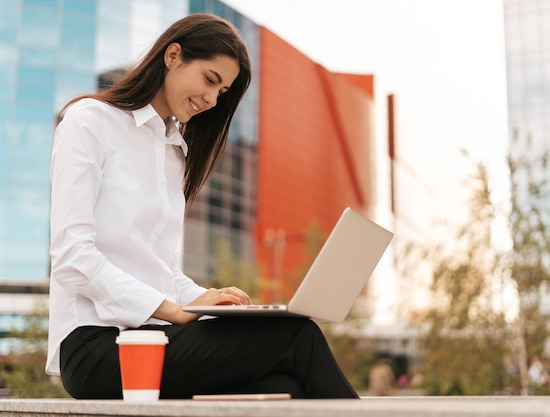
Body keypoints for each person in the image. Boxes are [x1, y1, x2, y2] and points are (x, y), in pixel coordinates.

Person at [46, 13, 358, 400]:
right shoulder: (89, 121)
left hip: (154, 337)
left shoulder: (174, 151)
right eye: (210, 80)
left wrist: (213, 300)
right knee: (297, 336)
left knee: (286, 386)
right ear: (173, 55)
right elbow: (72, 257)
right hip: (97, 346)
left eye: (222, 92)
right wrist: (175, 310)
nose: (212, 100)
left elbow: (160, 272)